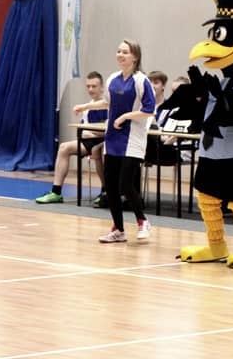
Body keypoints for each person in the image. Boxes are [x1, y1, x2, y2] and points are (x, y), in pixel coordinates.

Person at [75, 39, 155, 243]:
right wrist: (85, 107)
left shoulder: (141, 81)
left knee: (126, 184)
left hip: (132, 139)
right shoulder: (112, 79)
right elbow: (107, 102)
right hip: (113, 138)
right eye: (118, 51)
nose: (120, 55)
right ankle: (118, 229)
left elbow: (149, 110)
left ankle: (142, 221)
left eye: (125, 52)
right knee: (110, 186)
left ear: (135, 56)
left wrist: (125, 117)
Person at [35, 71, 108, 206]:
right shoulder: (87, 108)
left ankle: (106, 192)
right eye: (88, 86)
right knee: (64, 147)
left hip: (105, 142)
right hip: (89, 141)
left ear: (102, 87)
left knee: (99, 150)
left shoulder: (108, 106)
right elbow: (83, 131)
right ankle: (56, 192)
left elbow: (108, 131)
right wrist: (90, 133)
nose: (91, 89)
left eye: (94, 86)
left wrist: (92, 133)